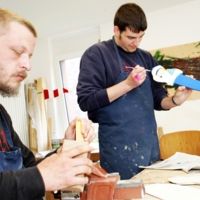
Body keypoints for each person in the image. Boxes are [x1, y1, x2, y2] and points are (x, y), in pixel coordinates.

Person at [77, 3, 192, 180]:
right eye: (131, 37)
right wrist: (128, 84)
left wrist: (175, 100)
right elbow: (86, 100)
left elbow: (157, 98)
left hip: (150, 150)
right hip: (118, 153)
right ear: (117, 30)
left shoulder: (146, 57)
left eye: (141, 37)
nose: (136, 43)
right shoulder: (97, 54)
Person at [0, 8, 96, 200]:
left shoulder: (1, 115)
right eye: (18, 52)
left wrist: (65, 147)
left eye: (29, 56)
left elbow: (30, 167)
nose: (28, 66)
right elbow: (37, 175)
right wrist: (41, 177)